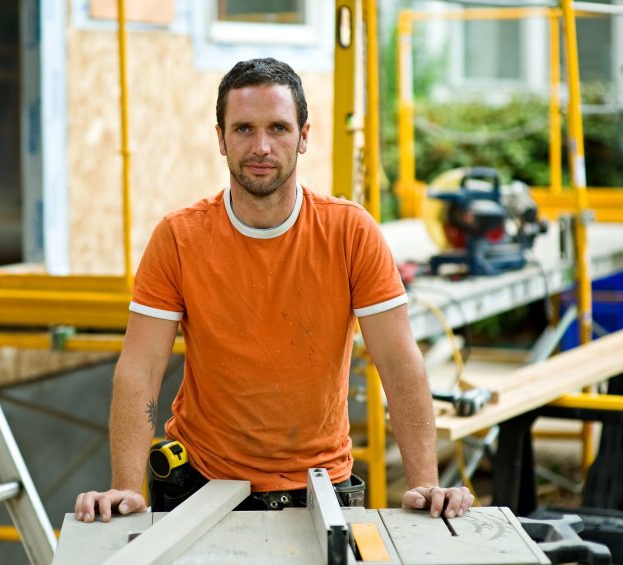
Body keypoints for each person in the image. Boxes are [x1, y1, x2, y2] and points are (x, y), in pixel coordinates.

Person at [75, 57, 473, 523]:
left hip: (321, 485)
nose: (261, 146)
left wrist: (424, 481)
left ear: (304, 137)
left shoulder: (350, 232)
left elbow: (399, 363)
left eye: (279, 128)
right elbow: (140, 368)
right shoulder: (179, 237)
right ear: (220, 139)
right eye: (243, 129)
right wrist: (126, 488)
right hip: (201, 479)